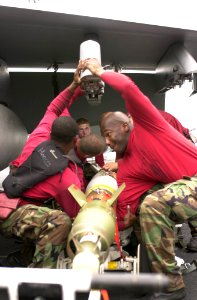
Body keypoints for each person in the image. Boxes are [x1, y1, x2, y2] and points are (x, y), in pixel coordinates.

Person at [80, 58, 197, 300]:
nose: (108, 143)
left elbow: (128, 88)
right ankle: (160, 281)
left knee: (154, 204)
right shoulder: (129, 165)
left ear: (125, 126)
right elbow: (126, 206)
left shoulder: (147, 123)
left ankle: (171, 288)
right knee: (145, 209)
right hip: (185, 190)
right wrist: (123, 219)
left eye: (109, 135)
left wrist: (100, 72)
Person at [0, 62, 106, 268]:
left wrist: (75, 86)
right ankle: (42, 277)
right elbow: (75, 214)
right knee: (60, 222)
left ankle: (21, 259)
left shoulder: (40, 134)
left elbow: (55, 107)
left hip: (6, 200)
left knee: (43, 212)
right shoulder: (65, 177)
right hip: (10, 213)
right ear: (74, 140)